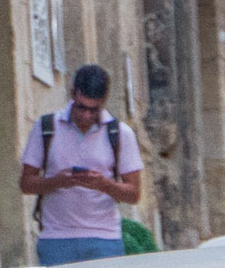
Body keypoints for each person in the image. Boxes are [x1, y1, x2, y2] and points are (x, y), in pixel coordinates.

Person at [22, 65, 146, 264]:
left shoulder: (121, 134)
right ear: (73, 94)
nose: (87, 115)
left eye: (94, 110)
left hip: (104, 239)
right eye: (81, 107)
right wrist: (58, 181)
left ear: (104, 101)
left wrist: (104, 184)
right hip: (56, 238)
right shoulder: (45, 128)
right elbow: (26, 184)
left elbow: (134, 194)